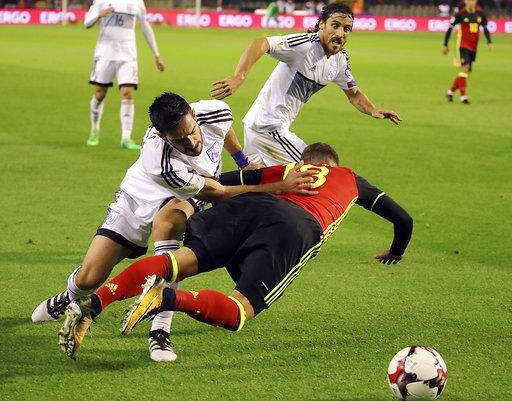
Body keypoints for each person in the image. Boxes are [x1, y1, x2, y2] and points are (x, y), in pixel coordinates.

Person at [58, 142, 413, 359]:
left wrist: (189, 200)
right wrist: (396, 250)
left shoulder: (286, 169)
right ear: (332, 164)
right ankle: (166, 299)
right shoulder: (351, 178)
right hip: (295, 228)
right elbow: (403, 219)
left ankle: (94, 303)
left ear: (306, 160)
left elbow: (221, 183)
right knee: (239, 311)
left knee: (173, 263)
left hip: (250, 206)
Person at [33, 92, 312, 361]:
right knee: (89, 278)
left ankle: (160, 329)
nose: (191, 143)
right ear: (163, 136)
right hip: (138, 198)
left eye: (192, 131)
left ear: (194, 116)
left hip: (184, 197)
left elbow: (224, 128)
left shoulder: (214, 111)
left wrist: (241, 159)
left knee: (169, 223)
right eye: (179, 140)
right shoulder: (162, 163)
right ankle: (70, 297)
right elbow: (218, 193)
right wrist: (279, 187)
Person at [211, 3, 401, 167]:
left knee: (258, 185)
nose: (340, 33)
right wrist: (239, 77)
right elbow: (261, 43)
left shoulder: (340, 61)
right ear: (322, 25)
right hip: (269, 127)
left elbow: (354, 94)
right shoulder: (305, 45)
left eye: (346, 29)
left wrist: (373, 110)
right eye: (335, 25)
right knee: (318, 169)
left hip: (259, 126)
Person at [84, 0, 165, 149]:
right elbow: (87, 23)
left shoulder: (136, 2)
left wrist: (157, 55)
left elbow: (146, 28)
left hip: (128, 55)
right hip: (105, 54)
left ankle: (126, 138)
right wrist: (99, 14)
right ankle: (94, 129)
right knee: (100, 94)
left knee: (127, 93)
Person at [442, 0, 492, 105]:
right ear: (465, 1)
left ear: (476, 1)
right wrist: (445, 44)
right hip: (463, 45)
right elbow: (450, 28)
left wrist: (489, 42)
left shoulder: (480, 14)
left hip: (474, 47)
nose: (471, 2)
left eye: (473, 0)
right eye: (469, 0)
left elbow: (485, 28)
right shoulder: (460, 14)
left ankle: (450, 92)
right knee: (465, 68)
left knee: (466, 71)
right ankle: (463, 97)